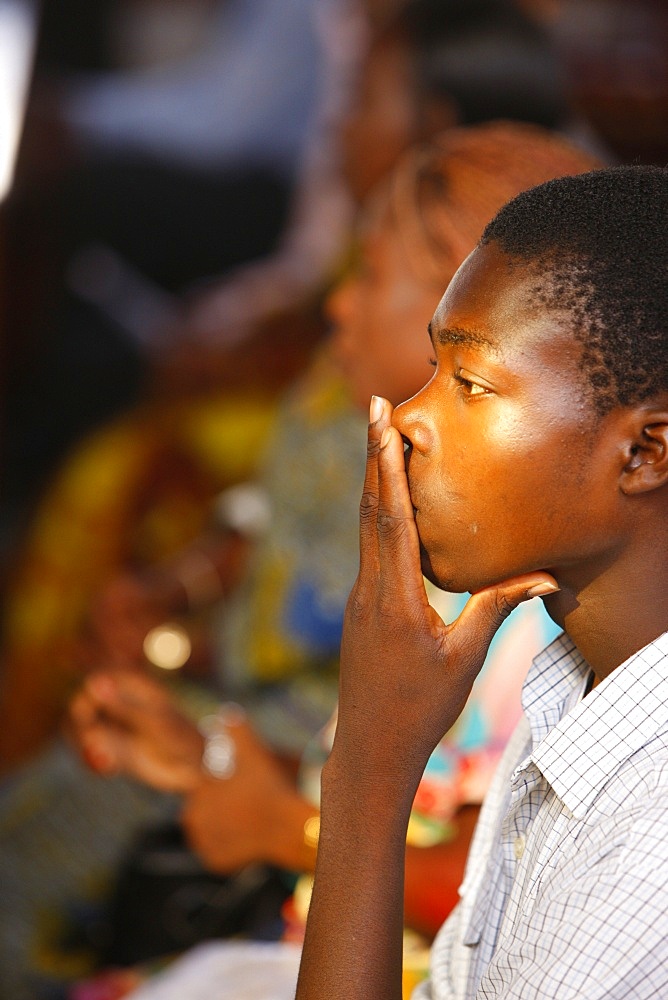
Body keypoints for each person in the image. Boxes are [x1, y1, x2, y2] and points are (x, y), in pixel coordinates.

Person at [62, 123, 600, 990]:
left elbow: (504, 885)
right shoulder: (464, 560)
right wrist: (204, 756)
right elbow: (392, 793)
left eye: (460, 374)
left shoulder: (550, 620)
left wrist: (284, 827)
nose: (340, 305)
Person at [294, 163, 668, 999]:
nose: (413, 417)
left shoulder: (655, 849)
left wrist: (368, 769)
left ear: (645, 453)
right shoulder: (572, 695)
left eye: (471, 383)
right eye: (434, 369)